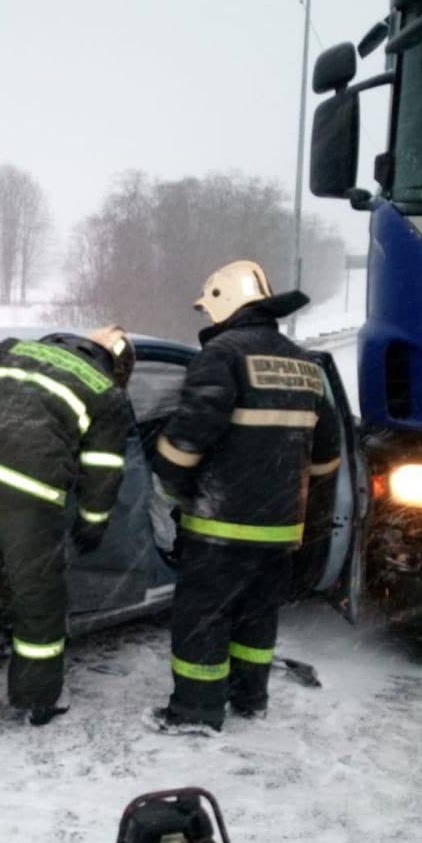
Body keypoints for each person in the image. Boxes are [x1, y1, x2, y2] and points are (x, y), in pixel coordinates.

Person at [152, 261, 340, 731]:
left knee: (204, 618)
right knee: (257, 618)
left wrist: (170, 486)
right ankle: (249, 699)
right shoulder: (304, 364)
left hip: (220, 525)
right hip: (278, 530)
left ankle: (195, 711)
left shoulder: (224, 355)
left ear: (224, 300)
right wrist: (299, 508)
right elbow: (327, 456)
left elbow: (188, 439)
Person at [0, 327, 135, 728]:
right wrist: (92, 524)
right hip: (31, 494)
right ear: (115, 363)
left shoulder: (13, 349)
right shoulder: (106, 392)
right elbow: (103, 470)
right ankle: (34, 702)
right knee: (37, 602)